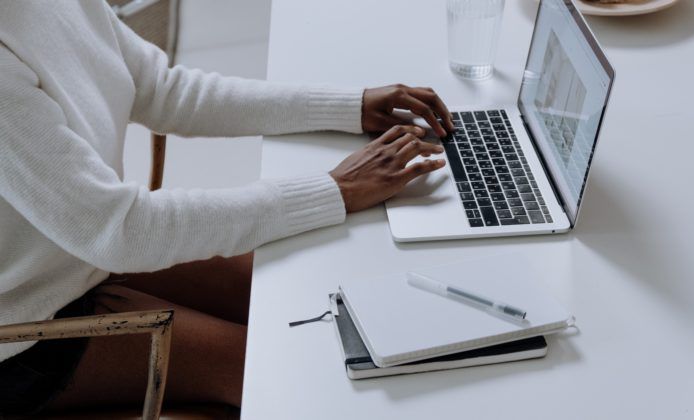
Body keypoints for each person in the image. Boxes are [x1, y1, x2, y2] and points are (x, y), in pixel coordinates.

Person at [0, 0, 454, 415]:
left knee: (312, 294)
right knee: (297, 378)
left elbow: (160, 88)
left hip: (79, 253)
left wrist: (346, 106)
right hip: (26, 334)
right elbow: (122, 230)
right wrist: (335, 189)